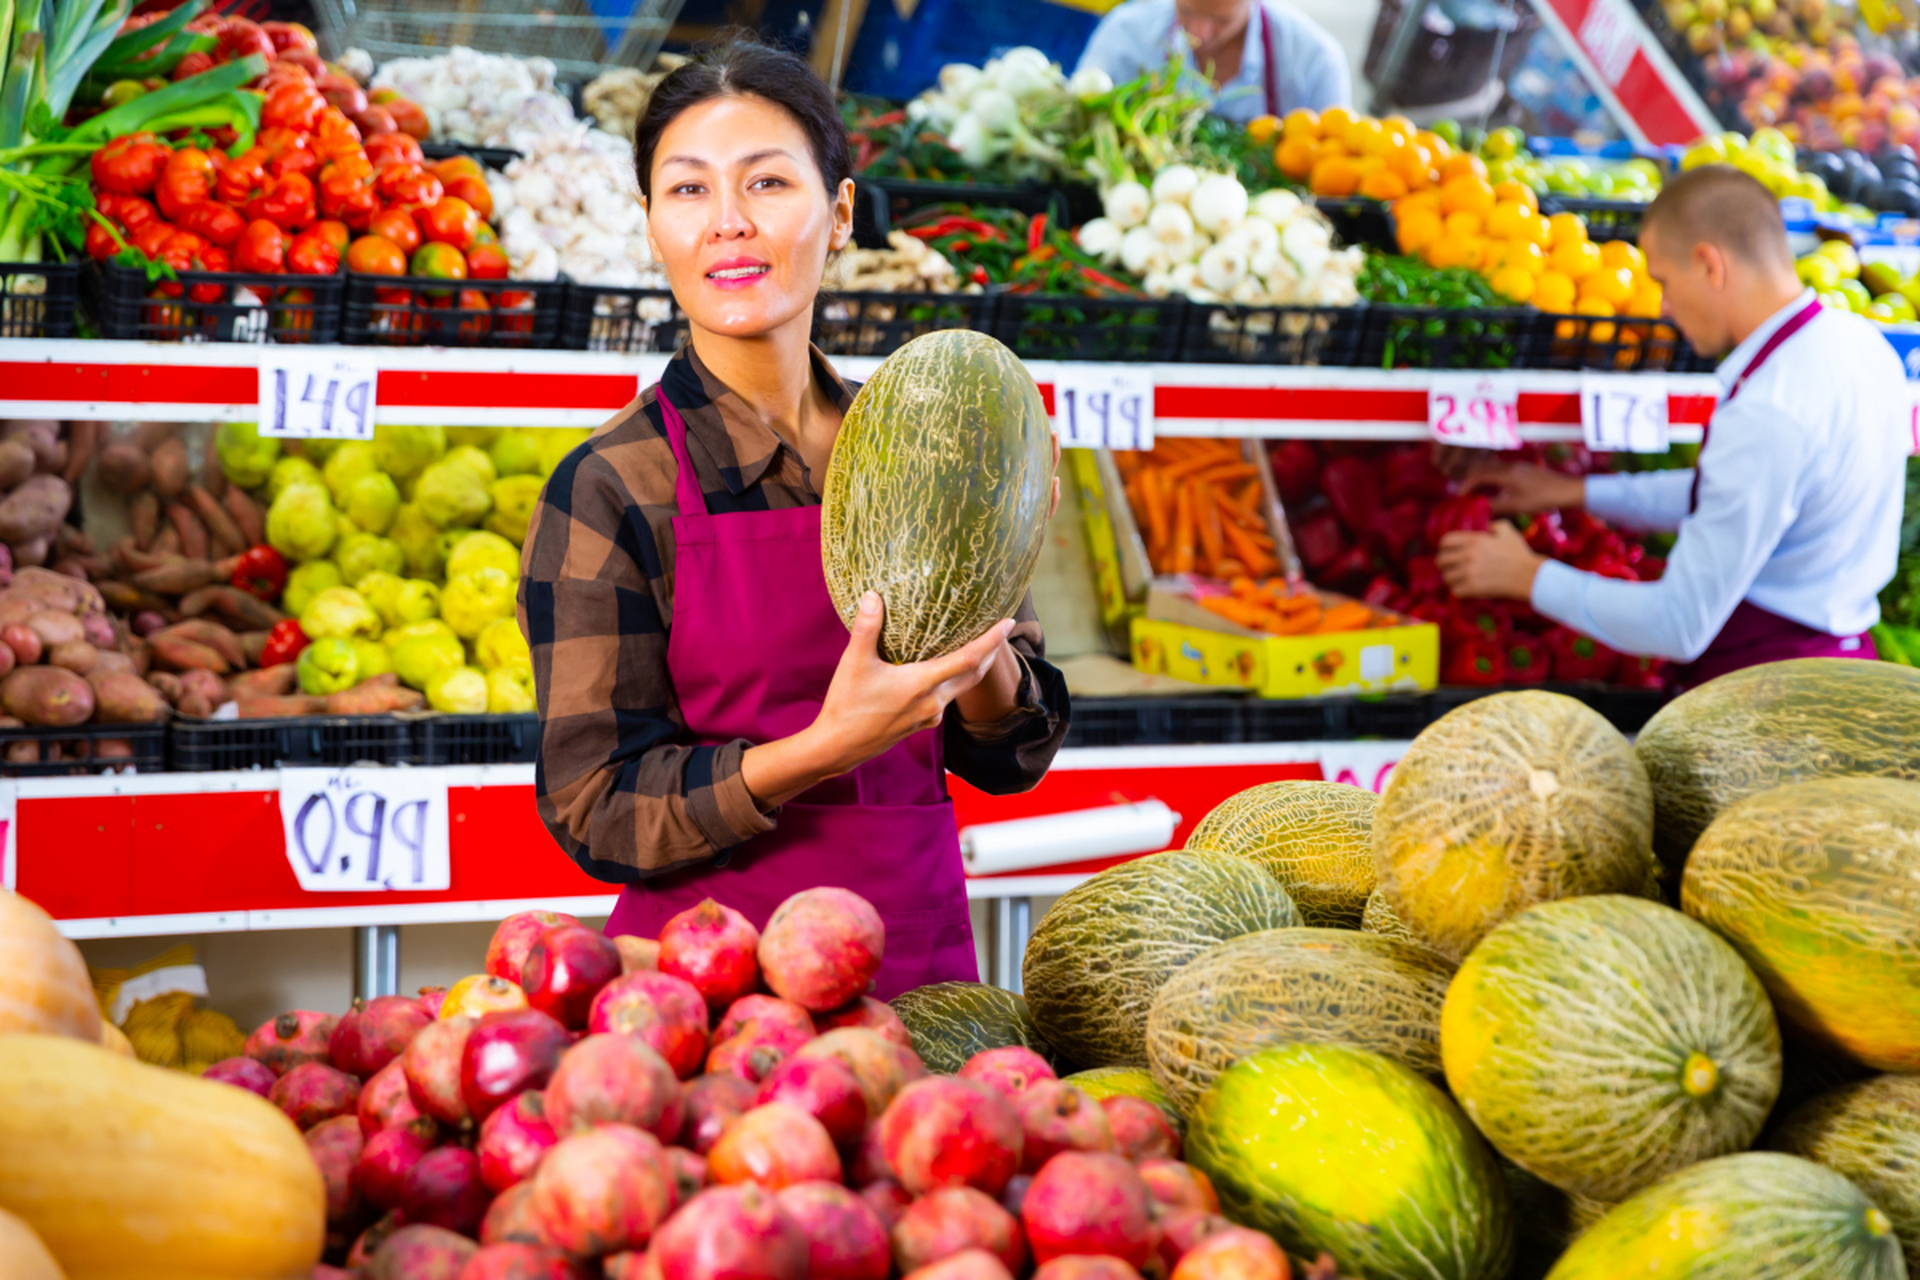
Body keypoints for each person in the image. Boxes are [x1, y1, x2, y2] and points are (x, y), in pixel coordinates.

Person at [518, 38, 1070, 998]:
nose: (727, 223)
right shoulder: (611, 485)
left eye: (767, 182)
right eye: (687, 191)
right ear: (651, 225)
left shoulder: (927, 437)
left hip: (922, 974)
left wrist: (982, 654)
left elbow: (1012, 755)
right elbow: (594, 810)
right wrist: (826, 746)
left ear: (841, 211)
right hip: (713, 1001)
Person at [1437, 164, 1908, 686]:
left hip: (1768, 704)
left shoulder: (1769, 409)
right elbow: (1738, 492)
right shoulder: (1860, 345)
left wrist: (1527, 576)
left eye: (1663, 280)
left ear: (1709, 265)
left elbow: (1678, 623)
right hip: (1842, 674)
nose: (1662, 307)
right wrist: (1573, 491)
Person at [1075, 0, 1352, 122]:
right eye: (1186, 11)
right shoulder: (1125, 34)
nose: (1199, 33)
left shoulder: (1315, 60)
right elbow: (1077, 112)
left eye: (1221, 21)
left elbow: (1333, 164)